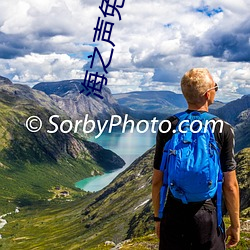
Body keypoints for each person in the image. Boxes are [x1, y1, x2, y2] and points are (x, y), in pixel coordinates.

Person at [152, 68, 240, 250]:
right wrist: (235, 225)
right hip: (207, 215)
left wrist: (158, 218)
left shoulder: (168, 125)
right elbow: (230, 185)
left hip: (174, 212)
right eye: (216, 87)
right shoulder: (222, 129)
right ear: (208, 94)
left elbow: (157, 181)